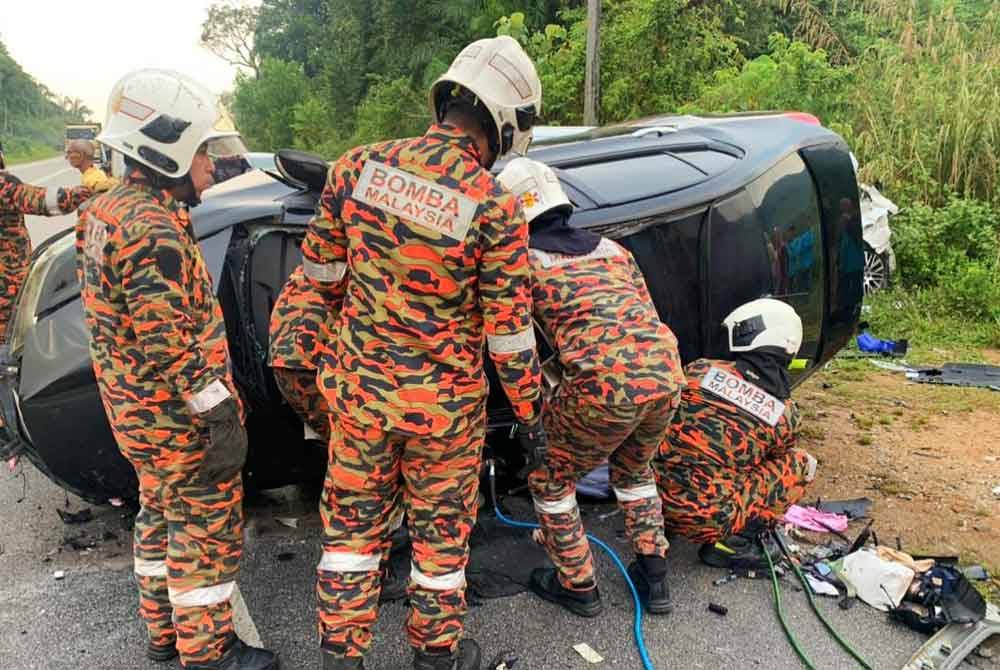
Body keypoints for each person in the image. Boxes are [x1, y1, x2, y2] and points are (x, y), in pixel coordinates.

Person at [303, 35, 546, 670]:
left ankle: (340, 657)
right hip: (445, 415)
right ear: (503, 123)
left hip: (359, 398)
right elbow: (509, 334)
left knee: (352, 534)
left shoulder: (355, 168)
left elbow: (320, 275)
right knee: (441, 542)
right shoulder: (495, 205)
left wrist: (358, 331)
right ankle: (437, 656)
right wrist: (530, 411)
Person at [76, 69, 278, 670]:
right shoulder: (150, 229)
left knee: (159, 518)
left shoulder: (108, 210)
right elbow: (170, 345)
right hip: (175, 422)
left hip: (135, 413)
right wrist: (220, 415)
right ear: (163, 151)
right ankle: (209, 651)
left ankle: (165, 634)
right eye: (200, 154)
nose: (210, 169)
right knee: (203, 534)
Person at [497, 157, 685, 617]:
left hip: (603, 390)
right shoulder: (614, 250)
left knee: (551, 478)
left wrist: (529, 416)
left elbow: (516, 347)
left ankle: (578, 584)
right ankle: (654, 573)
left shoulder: (522, 263)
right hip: (664, 377)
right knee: (635, 471)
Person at [267, 265, 407, 603]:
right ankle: (372, 571)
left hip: (288, 364)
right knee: (373, 468)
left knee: (350, 460)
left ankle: (362, 553)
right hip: (319, 364)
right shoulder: (379, 257)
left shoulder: (324, 257)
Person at [653, 298, 817, 570]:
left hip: (649, 502)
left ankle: (669, 519)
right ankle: (733, 543)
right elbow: (775, 460)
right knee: (800, 463)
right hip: (710, 522)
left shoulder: (699, 369)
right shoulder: (785, 414)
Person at [1, 171, 91, 343]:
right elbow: (45, 201)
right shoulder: (3, 185)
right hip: (7, 283)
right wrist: (86, 193)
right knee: (10, 337)